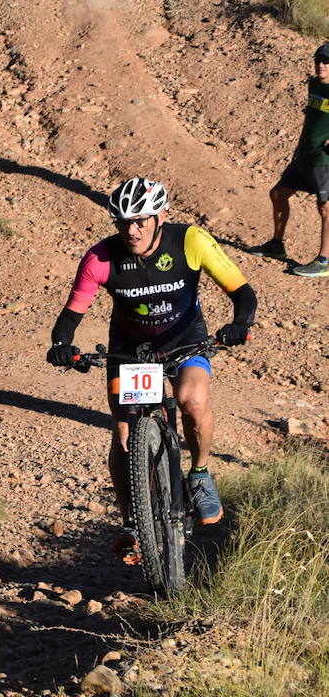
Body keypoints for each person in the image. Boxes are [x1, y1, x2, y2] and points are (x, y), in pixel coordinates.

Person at [47, 177, 257, 559]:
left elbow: (242, 292)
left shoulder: (190, 241)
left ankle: (200, 474)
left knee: (192, 400)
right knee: (126, 435)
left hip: (185, 340)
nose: (132, 230)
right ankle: (133, 522)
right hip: (130, 349)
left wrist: (240, 322)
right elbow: (72, 312)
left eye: (141, 220)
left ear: (160, 216)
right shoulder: (101, 257)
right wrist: (62, 345)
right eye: (123, 222)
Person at [248, 42, 329, 276]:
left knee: (325, 207)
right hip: (305, 155)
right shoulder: (314, 84)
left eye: (326, 62)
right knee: (278, 193)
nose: (320, 65)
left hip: (325, 160)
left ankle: (324, 261)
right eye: (318, 60)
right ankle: (276, 245)